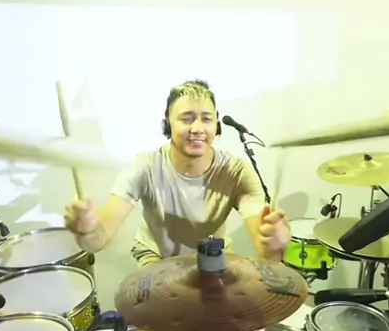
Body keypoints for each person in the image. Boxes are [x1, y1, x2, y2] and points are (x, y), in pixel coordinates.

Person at [64, 79, 291, 266]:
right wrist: (87, 230)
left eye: (206, 119)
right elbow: (99, 239)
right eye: (186, 119)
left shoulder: (237, 172)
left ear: (217, 126)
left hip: (214, 253)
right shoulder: (145, 167)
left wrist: (275, 242)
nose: (197, 128)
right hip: (157, 256)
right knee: (163, 304)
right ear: (168, 125)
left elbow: (266, 248)